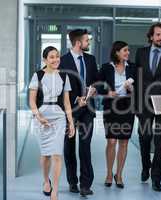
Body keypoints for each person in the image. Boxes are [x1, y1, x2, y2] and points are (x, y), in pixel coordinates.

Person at [134, 22, 161, 192]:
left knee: (160, 141)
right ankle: (146, 166)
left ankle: (156, 177)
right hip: (144, 103)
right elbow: (137, 79)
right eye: (158, 35)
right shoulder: (141, 53)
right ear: (151, 36)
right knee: (144, 137)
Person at [29, 46, 75, 200]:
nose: (55, 60)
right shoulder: (38, 75)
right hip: (42, 117)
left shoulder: (64, 76)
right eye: (51, 57)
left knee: (57, 154)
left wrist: (71, 123)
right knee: (45, 155)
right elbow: (31, 101)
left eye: (57, 56)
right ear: (45, 60)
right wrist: (38, 116)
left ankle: (54, 190)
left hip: (59, 117)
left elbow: (67, 103)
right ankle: (45, 180)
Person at [60, 29, 98, 197]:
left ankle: (85, 184)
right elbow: (60, 88)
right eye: (86, 40)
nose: (88, 43)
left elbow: (96, 80)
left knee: (85, 146)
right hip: (70, 110)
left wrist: (95, 89)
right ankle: (72, 181)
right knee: (69, 147)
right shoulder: (62, 61)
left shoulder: (90, 59)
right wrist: (76, 99)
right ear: (77, 43)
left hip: (88, 110)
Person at [98, 41, 136, 189]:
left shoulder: (132, 67)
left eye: (128, 50)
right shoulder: (107, 68)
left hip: (127, 107)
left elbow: (138, 88)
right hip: (111, 107)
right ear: (117, 52)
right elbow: (98, 85)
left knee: (124, 142)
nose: (128, 53)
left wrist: (131, 88)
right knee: (112, 141)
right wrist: (108, 93)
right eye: (125, 50)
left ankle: (119, 174)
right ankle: (109, 173)